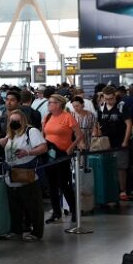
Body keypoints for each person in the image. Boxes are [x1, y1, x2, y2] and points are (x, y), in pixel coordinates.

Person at [0, 110, 47, 240]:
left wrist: (28, 152)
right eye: (12, 120)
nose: (14, 123)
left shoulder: (31, 131)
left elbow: (43, 147)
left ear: (23, 121)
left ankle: (36, 232)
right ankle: (16, 230)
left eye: (17, 121)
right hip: (11, 174)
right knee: (14, 205)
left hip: (27, 174)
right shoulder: (11, 134)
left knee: (33, 204)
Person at [43, 94, 84, 223]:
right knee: (52, 185)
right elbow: (44, 133)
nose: (49, 104)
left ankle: (74, 210)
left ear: (59, 104)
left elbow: (79, 134)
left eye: (51, 102)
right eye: (49, 102)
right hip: (49, 153)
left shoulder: (67, 117)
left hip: (62, 153)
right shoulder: (47, 117)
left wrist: (71, 147)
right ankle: (56, 212)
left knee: (64, 184)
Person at [94, 85, 133, 201]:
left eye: (110, 98)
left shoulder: (122, 106)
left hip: (120, 141)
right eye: (106, 98)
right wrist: (97, 133)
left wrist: (125, 141)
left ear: (115, 96)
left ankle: (122, 190)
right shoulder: (101, 106)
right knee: (107, 166)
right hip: (105, 141)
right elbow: (97, 122)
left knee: (121, 167)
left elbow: (129, 124)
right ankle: (110, 188)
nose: (108, 101)